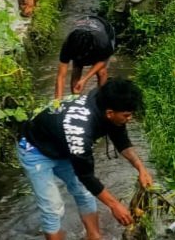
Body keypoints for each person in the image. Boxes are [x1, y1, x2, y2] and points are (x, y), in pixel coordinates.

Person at [19, 78, 153, 240]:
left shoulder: (104, 100)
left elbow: (121, 140)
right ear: (110, 113)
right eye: (126, 115)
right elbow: (86, 176)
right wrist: (114, 205)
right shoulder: (80, 131)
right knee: (53, 207)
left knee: (84, 193)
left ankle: (94, 236)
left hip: (63, 146)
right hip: (35, 149)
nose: (129, 119)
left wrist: (141, 168)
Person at [55, 15, 115, 100]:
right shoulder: (68, 44)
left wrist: (85, 79)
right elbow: (61, 76)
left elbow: (102, 61)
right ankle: (75, 99)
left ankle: (102, 100)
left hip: (104, 29)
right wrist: (57, 102)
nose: (79, 57)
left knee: (101, 72)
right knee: (77, 68)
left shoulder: (102, 42)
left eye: (80, 54)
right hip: (83, 24)